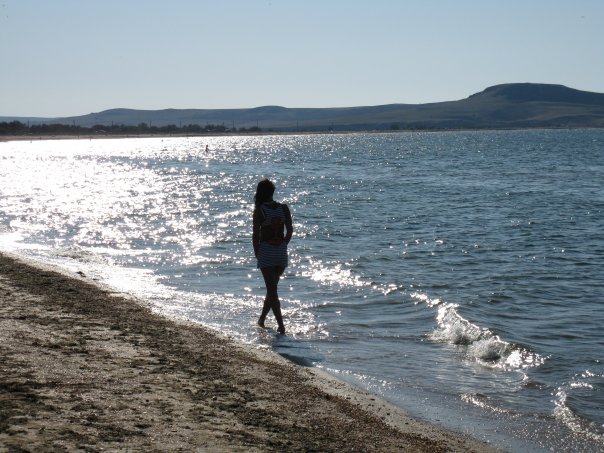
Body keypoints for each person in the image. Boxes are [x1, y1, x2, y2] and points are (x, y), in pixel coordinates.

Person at [252, 179, 293, 334]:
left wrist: (257, 252)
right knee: (272, 288)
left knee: (272, 290)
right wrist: (283, 244)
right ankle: (262, 319)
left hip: (267, 252)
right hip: (281, 252)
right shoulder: (283, 208)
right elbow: (290, 230)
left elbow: (256, 234)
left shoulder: (260, 210)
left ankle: (281, 325)